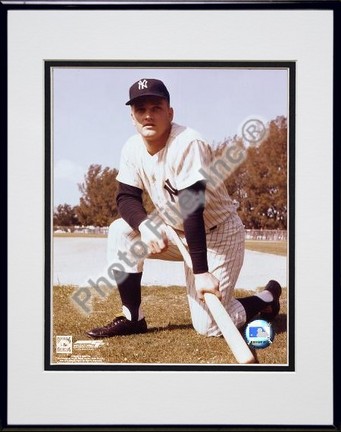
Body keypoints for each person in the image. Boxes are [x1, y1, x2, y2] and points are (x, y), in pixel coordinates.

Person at [87, 78, 282, 339]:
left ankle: (267, 297)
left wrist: (201, 272)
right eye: (140, 109)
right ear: (132, 116)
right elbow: (126, 198)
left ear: (170, 113)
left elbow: (193, 208)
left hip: (218, 234)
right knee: (121, 231)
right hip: (175, 230)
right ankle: (133, 318)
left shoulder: (188, 143)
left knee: (209, 326)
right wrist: (145, 227)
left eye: (156, 108)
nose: (148, 115)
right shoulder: (132, 147)